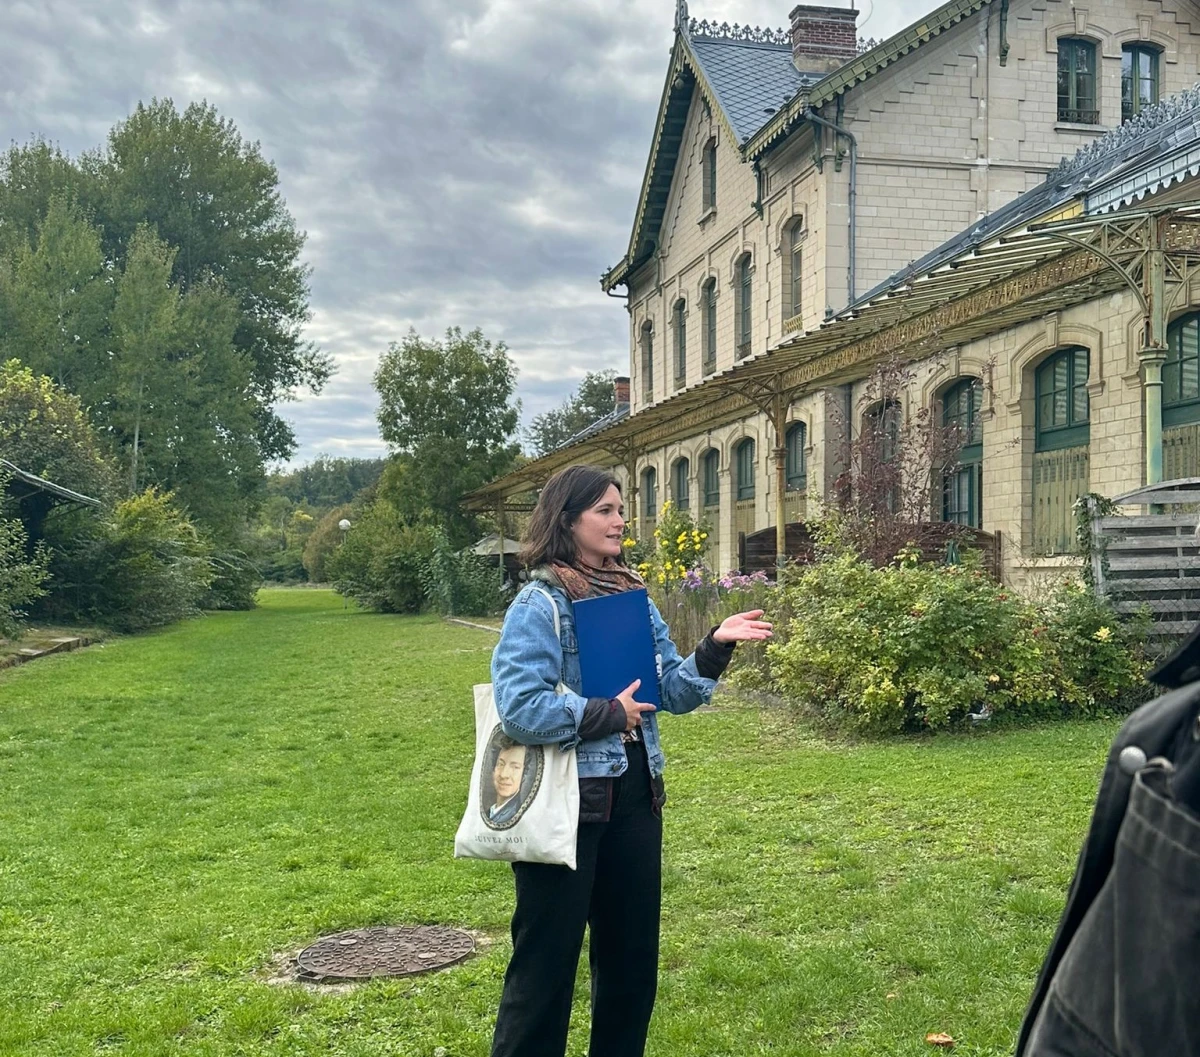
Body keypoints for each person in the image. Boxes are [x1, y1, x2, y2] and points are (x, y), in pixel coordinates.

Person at [488, 464, 773, 1057]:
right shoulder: (540, 603)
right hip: (569, 805)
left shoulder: (630, 596)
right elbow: (518, 708)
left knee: (630, 966)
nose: (621, 521)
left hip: (638, 800)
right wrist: (605, 714)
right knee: (544, 972)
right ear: (568, 520)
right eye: (606, 511)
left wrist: (714, 648)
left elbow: (668, 690)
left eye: (622, 509)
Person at [485, 737, 530, 827]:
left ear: (525, 774)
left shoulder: (522, 815)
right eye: (500, 764)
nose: (504, 775)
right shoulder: (487, 814)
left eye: (515, 767)